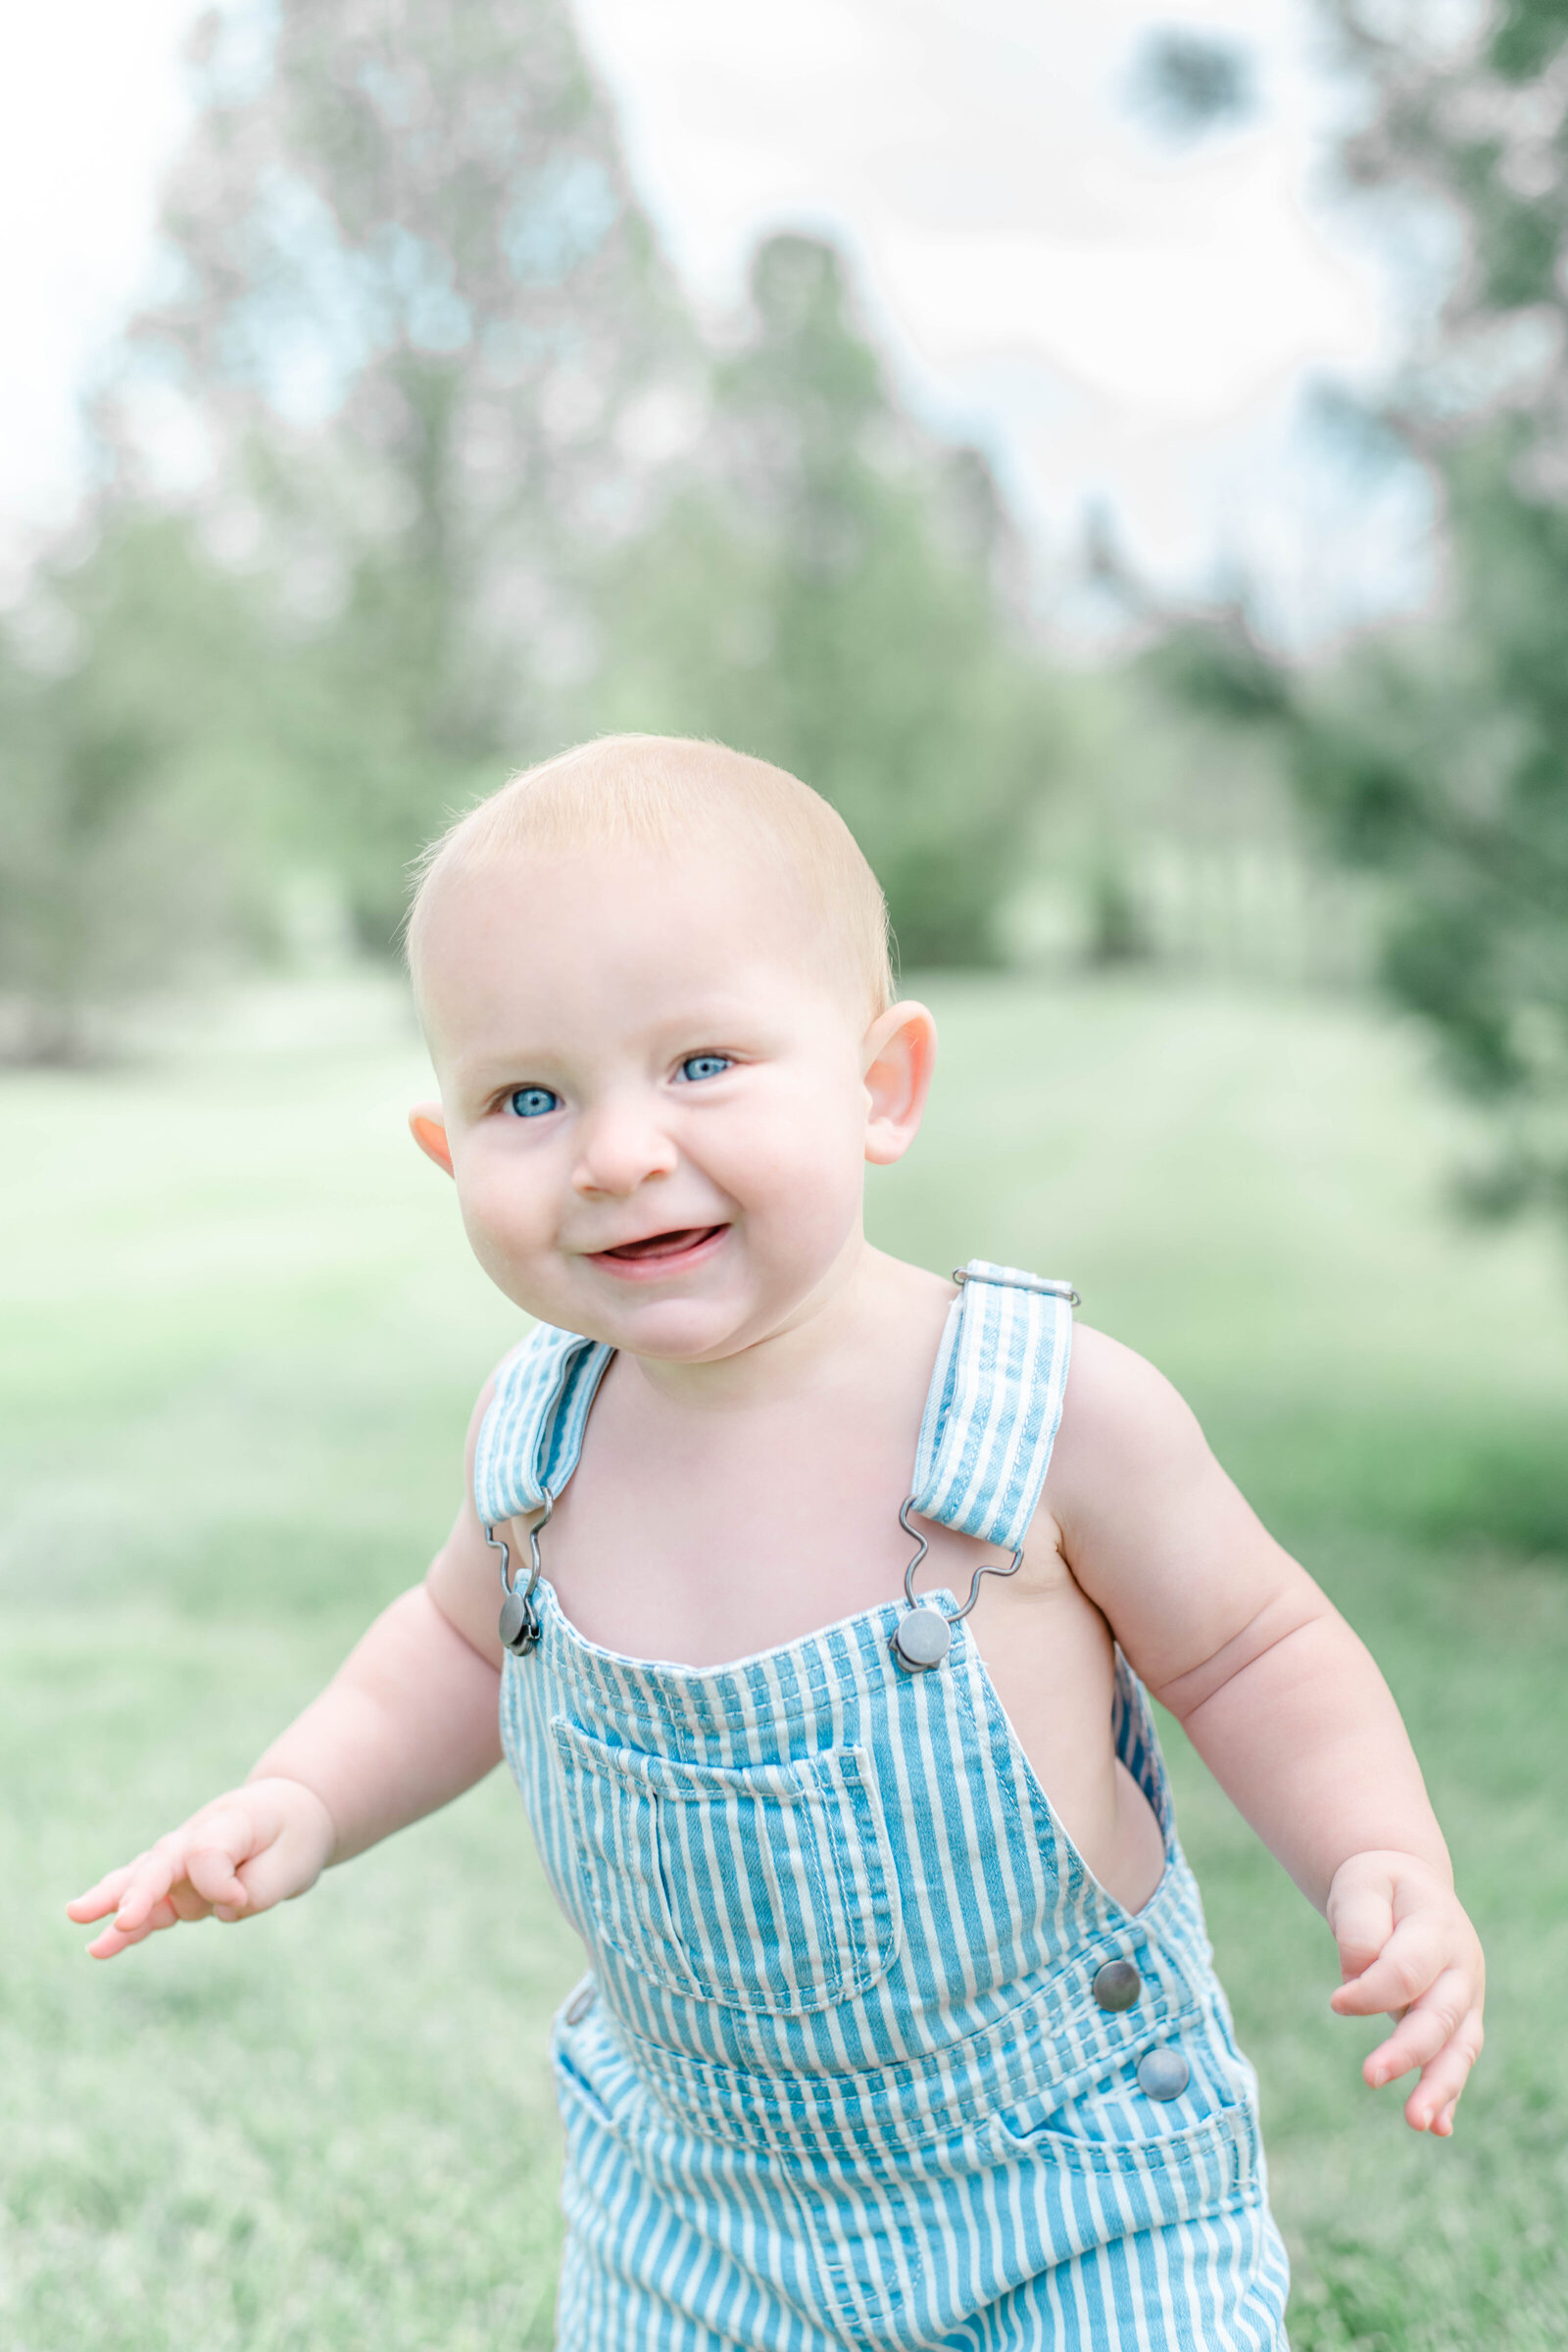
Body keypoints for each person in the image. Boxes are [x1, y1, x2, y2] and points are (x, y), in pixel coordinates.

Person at [69, 735, 1485, 2350]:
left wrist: (1383, 1853)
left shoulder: (1042, 1411)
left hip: (1074, 2193)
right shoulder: (537, 1439)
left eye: (701, 1066)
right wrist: (302, 1793)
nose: (615, 1153)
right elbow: (459, 1644)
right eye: (528, 1097)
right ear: (447, 1151)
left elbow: (1252, 1648)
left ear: (880, 1088)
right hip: (692, 2221)